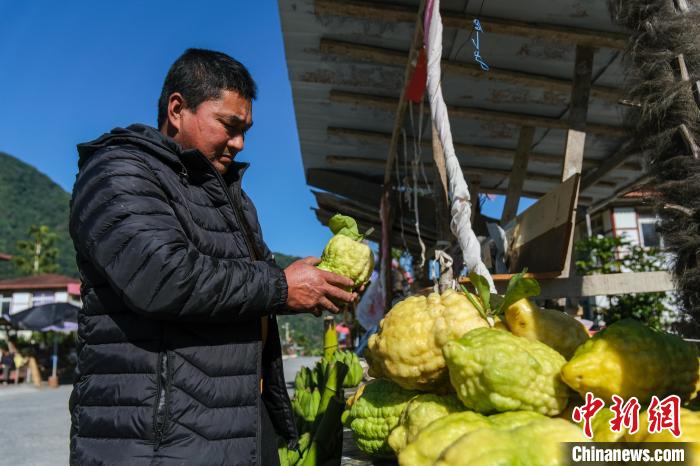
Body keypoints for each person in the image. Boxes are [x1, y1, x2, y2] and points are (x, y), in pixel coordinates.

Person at [68, 48, 357, 466]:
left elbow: (245, 291)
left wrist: (309, 290)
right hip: (159, 441)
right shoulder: (118, 171)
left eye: (245, 131)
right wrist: (281, 287)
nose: (239, 143)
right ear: (177, 109)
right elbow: (163, 277)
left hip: (231, 425)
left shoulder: (228, 195)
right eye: (229, 126)